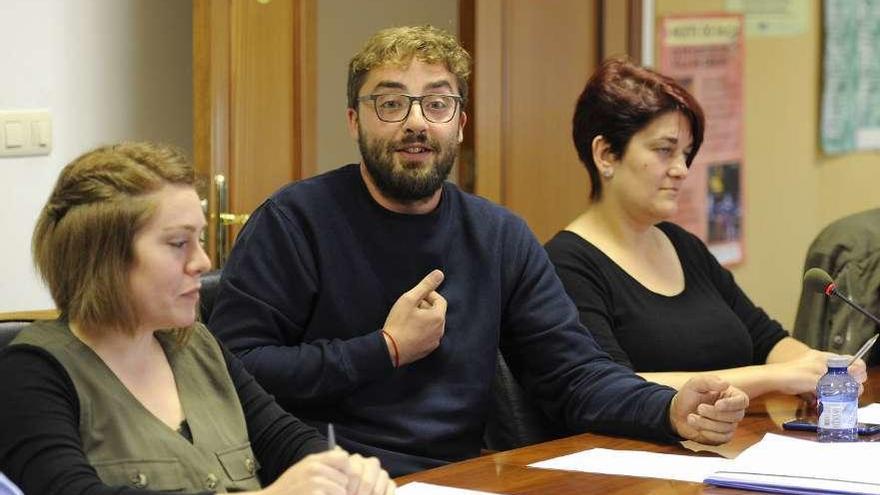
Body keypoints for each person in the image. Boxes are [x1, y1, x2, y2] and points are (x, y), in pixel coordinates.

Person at [208, 26, 749, 477]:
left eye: (437, 104)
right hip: (323, 477)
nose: (416, 121)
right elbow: (231, 370)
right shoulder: (295, 221)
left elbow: (573, 374)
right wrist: (385, 349)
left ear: (460, 124)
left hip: (455, 478)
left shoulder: (498, 236)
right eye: (391, 103)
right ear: (355, 121)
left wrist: (669, 409)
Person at [0, 142, 395, 495]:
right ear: (103, 257)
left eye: (200, 240)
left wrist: (344, 472)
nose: (204, 263)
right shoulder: (32, 373)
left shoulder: (199, 345)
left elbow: (286, 439)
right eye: (178, 244)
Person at [544, 58, 867, 401]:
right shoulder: (566, 265)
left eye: (685, 154)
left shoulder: (682, 245)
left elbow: (765, 339)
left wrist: (818, 366)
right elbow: (614, 387)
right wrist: (778, 377)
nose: (682, 169)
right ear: (606, 154)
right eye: (664, 151)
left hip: (733, 442)